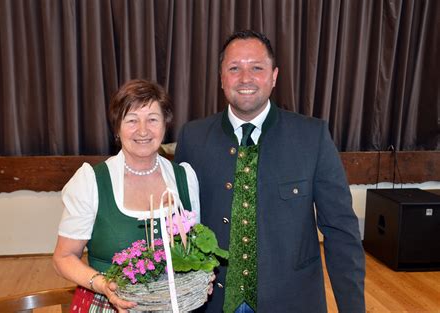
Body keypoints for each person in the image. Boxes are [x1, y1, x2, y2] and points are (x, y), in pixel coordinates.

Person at [174, 30, 365, 312]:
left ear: (274, 76)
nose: (245, 78)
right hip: (211, 302)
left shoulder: (312, 137)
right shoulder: (192, 137)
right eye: (234, 68)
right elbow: (180, 228)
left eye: (257, 68)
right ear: (221, 78)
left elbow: (341, 233)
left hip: (292, 301)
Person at [53, 79, 200, 312]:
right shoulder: (91, 181)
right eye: (132, 120)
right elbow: (64, 257)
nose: (143, 130)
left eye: (152, 119)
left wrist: (200, 279)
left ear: (165, 126)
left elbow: (195, 249)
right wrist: (102, 285)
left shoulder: (185, 178)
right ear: (117, 128)